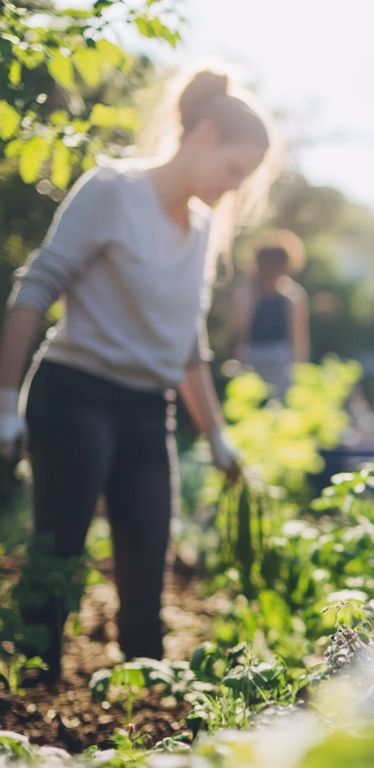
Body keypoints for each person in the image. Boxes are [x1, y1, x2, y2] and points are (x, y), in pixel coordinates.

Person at [0, 68, 275, 684]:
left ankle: (147, 707)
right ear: (203, 135)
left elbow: (187, 346)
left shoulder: (202, 229)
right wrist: (5, 400)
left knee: (149, 565)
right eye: (233, 171)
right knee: (60, 555)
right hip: (75, 392)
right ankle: (30, 704)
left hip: (149, 409)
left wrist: (217, 435)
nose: (233, 191)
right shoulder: (113, 190)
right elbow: (35, 288)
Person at [229, 229, 309, 397]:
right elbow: (239, 331)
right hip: (253, 358)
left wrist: (299, 370)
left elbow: (299, 337)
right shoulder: (248, 292)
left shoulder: (293, 295)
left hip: (281, 361)